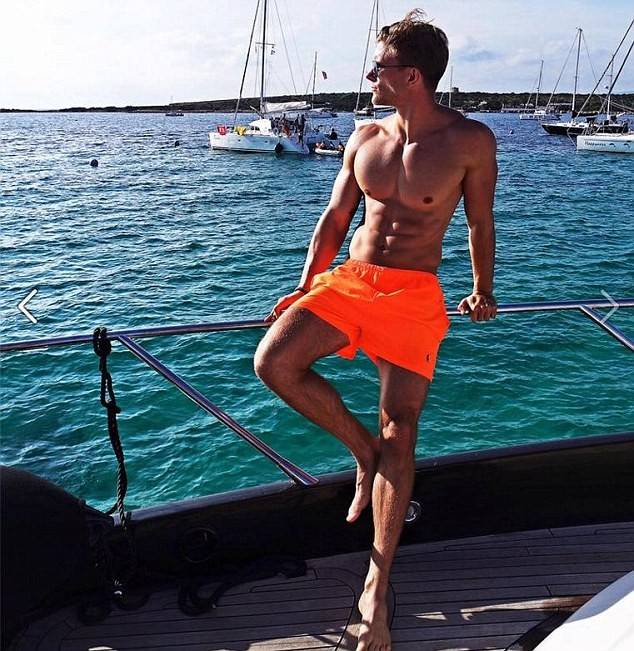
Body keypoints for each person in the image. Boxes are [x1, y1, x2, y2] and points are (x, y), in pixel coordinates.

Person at [254, 9, 497, 650]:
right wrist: (307, 283)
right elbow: (336, 217)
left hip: (414, 295)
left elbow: (479, 222)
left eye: (379, 66)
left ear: (411, 75)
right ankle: (364, 454)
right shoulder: (364, 136)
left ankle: (376, 584)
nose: (370, 75)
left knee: (402, 432)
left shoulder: (470, 140)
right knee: (274, 361)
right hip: (352, 282)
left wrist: (482, 288)